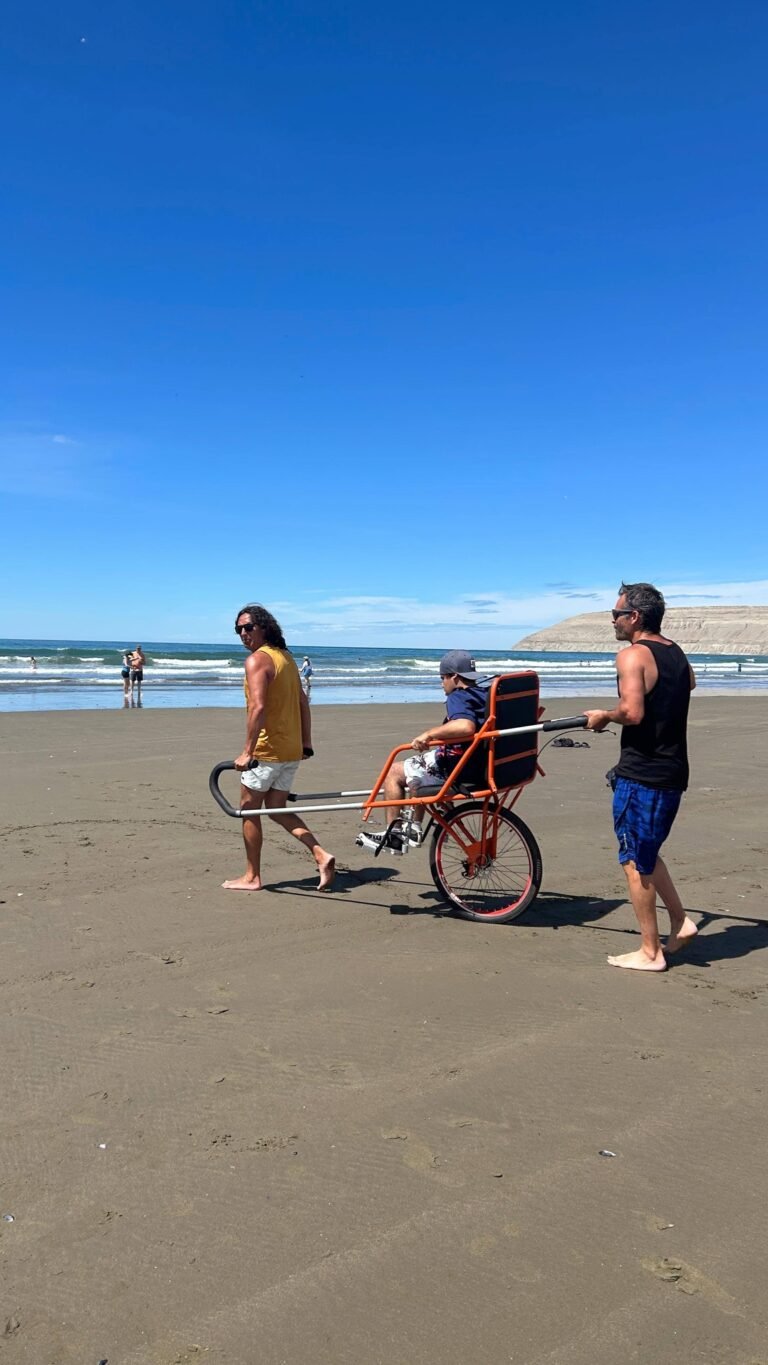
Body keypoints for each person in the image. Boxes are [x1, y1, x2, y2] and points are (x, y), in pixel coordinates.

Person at [584, 582, 698, 972]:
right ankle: (681, 922)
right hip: (672, 769)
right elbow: (689, 684)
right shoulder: (676, 653)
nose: (612, 621)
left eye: (616, 614)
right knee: (647, 852)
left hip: (645, 774)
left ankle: (650, 952)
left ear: (634, 617)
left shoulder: (632, 656)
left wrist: (603, 715)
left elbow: (632, 712)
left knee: (635, 861)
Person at [222, 604, 335, 893]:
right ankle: (321, 854)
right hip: (290, 749)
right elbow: (302, 702)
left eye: (248, 627)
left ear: (264, 627)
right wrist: (305, 742)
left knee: (248, 810)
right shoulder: (285, 658)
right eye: (238, 629)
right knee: (275, 808)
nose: (243, 634)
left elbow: (258, 707)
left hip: (268, 752)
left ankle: (252, 876)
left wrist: (248, 751)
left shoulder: (258, 660)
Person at [360, 650, 486, 854]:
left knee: (394, 771)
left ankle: (395, 835)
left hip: (457, 767)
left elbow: (465, 726)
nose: (441, 683)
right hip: (478, 762)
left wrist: (428, 734)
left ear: (454, 677)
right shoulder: (484, 694)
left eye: (442, 678)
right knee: (418, 765)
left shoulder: (458, 697)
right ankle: (415, 826)